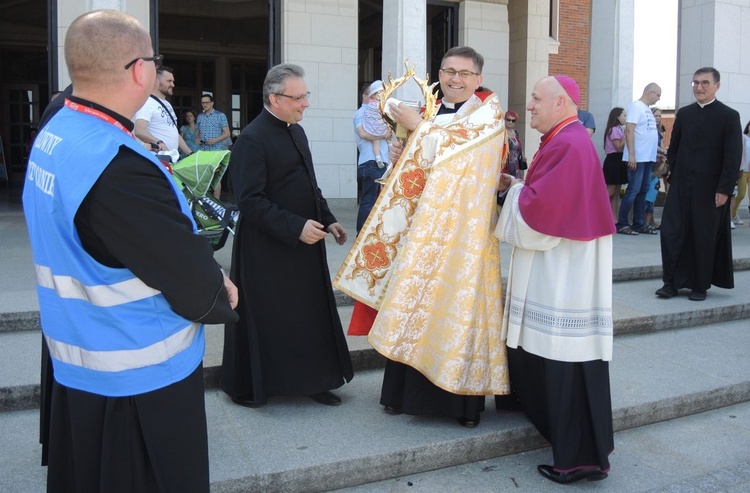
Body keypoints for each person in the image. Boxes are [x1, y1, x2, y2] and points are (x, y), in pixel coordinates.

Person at [22, 10, 239, 493]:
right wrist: (216, 288)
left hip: (79, 356)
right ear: (140, 69)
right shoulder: (117, 164)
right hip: (137, 373)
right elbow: (185, 274)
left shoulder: (57, 133)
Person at [337, 46, 509, 428]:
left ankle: (459, 405)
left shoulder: (488, 115)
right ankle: (402, 397)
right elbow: (423, 163)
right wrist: (403, 153)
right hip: (424, 233)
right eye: (448, 71)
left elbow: (460, 152)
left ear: (478, 79)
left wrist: (420, 129)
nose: (455, 79)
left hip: (464, 237)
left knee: (455, 307)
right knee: (412, 303)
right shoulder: (432, 113)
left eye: (465, 73)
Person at [495, 74, 615, 484]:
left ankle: (579, 459)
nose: (529, 106)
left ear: (562, 103)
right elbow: (546, 192)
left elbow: (539, 214)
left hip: (565, 270)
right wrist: (520, 184)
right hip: (561, 262)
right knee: (552, 350)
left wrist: (512, 192)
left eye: (535, 99)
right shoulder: (565, 137)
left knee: (566, 352)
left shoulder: (569, 142)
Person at [221, 63, 353, 408]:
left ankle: (313, 380)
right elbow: (249, 201)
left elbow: (308, 183)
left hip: (306, 243)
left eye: (306, 96)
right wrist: (295, 227)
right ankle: (263, 385)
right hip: (268, 249)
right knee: (275, 318)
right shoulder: (251, 139)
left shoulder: (296, 130)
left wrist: (328, 218)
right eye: (298, 97)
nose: (305, 103)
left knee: (308, 315)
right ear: (274, 98)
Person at [656, 67, 742, 302]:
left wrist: (725, 189)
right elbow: (674, 148)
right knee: (671, 232)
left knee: (702, 236)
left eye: (705, 83)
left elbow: (732, 156)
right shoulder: (684, 114)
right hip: (681, 186)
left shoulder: (729, 116)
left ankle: (699, 285)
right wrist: (673, 176)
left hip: (711, 191)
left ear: (717, 86)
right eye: (695, 83)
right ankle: (670, 283)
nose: (699, 88)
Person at [617, 83, 661, 236]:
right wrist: (632, 155)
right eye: (658, 95)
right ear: (650, 92)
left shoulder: (646, 109)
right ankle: (622, 223)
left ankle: (638, 223)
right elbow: (629, 130)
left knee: (642, 191)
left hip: (647, 158)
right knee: (633, 190)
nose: (658, 99)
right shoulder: (636, 106)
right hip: (638, 157)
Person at [134, 65, 194, 156]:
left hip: (170, 160)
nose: (173, 85)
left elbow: (174, 133)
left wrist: (190, 153)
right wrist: (158, 142)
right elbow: (139, 130)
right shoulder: (147, 102)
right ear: (156, 81)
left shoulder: (167, 104)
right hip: (157, 159)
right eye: (169, 81)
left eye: (173, 81)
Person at [354, 80, 389, 233]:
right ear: (366, 96)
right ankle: (362, 236)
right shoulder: (362, 112)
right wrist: (383, 134)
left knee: (378, 201)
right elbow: (362, 133)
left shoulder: (378, 112)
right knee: (369, 200)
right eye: (375, 95)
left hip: (379, 162)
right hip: (371, 162)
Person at [602, 107, 627, 220]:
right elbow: (618, 147)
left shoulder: (619, 129)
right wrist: (627, 134)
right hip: (613, 161)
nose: (626, 118)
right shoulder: (613, 129)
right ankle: (596, 210)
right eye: (624, 115)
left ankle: (614, 218)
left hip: (619, 161)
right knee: (610, 190)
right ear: (617, 117)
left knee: (617, 192)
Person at [730, 121, 750, 227]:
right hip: (744, 170)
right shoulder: (743, 137)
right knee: (741, 194)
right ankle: (734, 214)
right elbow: (740, 153)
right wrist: (740, 168)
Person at [504, 110, 526, 178]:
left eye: (513, 120)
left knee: (515, 182)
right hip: (506, 163)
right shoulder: (502, 133)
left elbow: (519, 146)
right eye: (508, 120)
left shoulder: (516, 133)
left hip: (516, 163)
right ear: (505, 120)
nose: (510, 122)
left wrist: (522, 156)